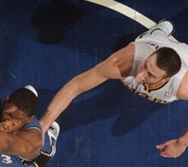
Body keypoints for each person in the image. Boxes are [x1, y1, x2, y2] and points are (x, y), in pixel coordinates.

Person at [39, 20, 188, 151]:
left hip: (184, 54)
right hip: (152, 42)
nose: (139, 75)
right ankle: (159, 32)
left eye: (151, 75)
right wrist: (44, 124)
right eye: (145, 65)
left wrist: (183, 142)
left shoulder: (182, 88)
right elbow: (76, 86)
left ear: (166, 79)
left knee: (120, 129)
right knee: (155, 37)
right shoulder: (123, 62)